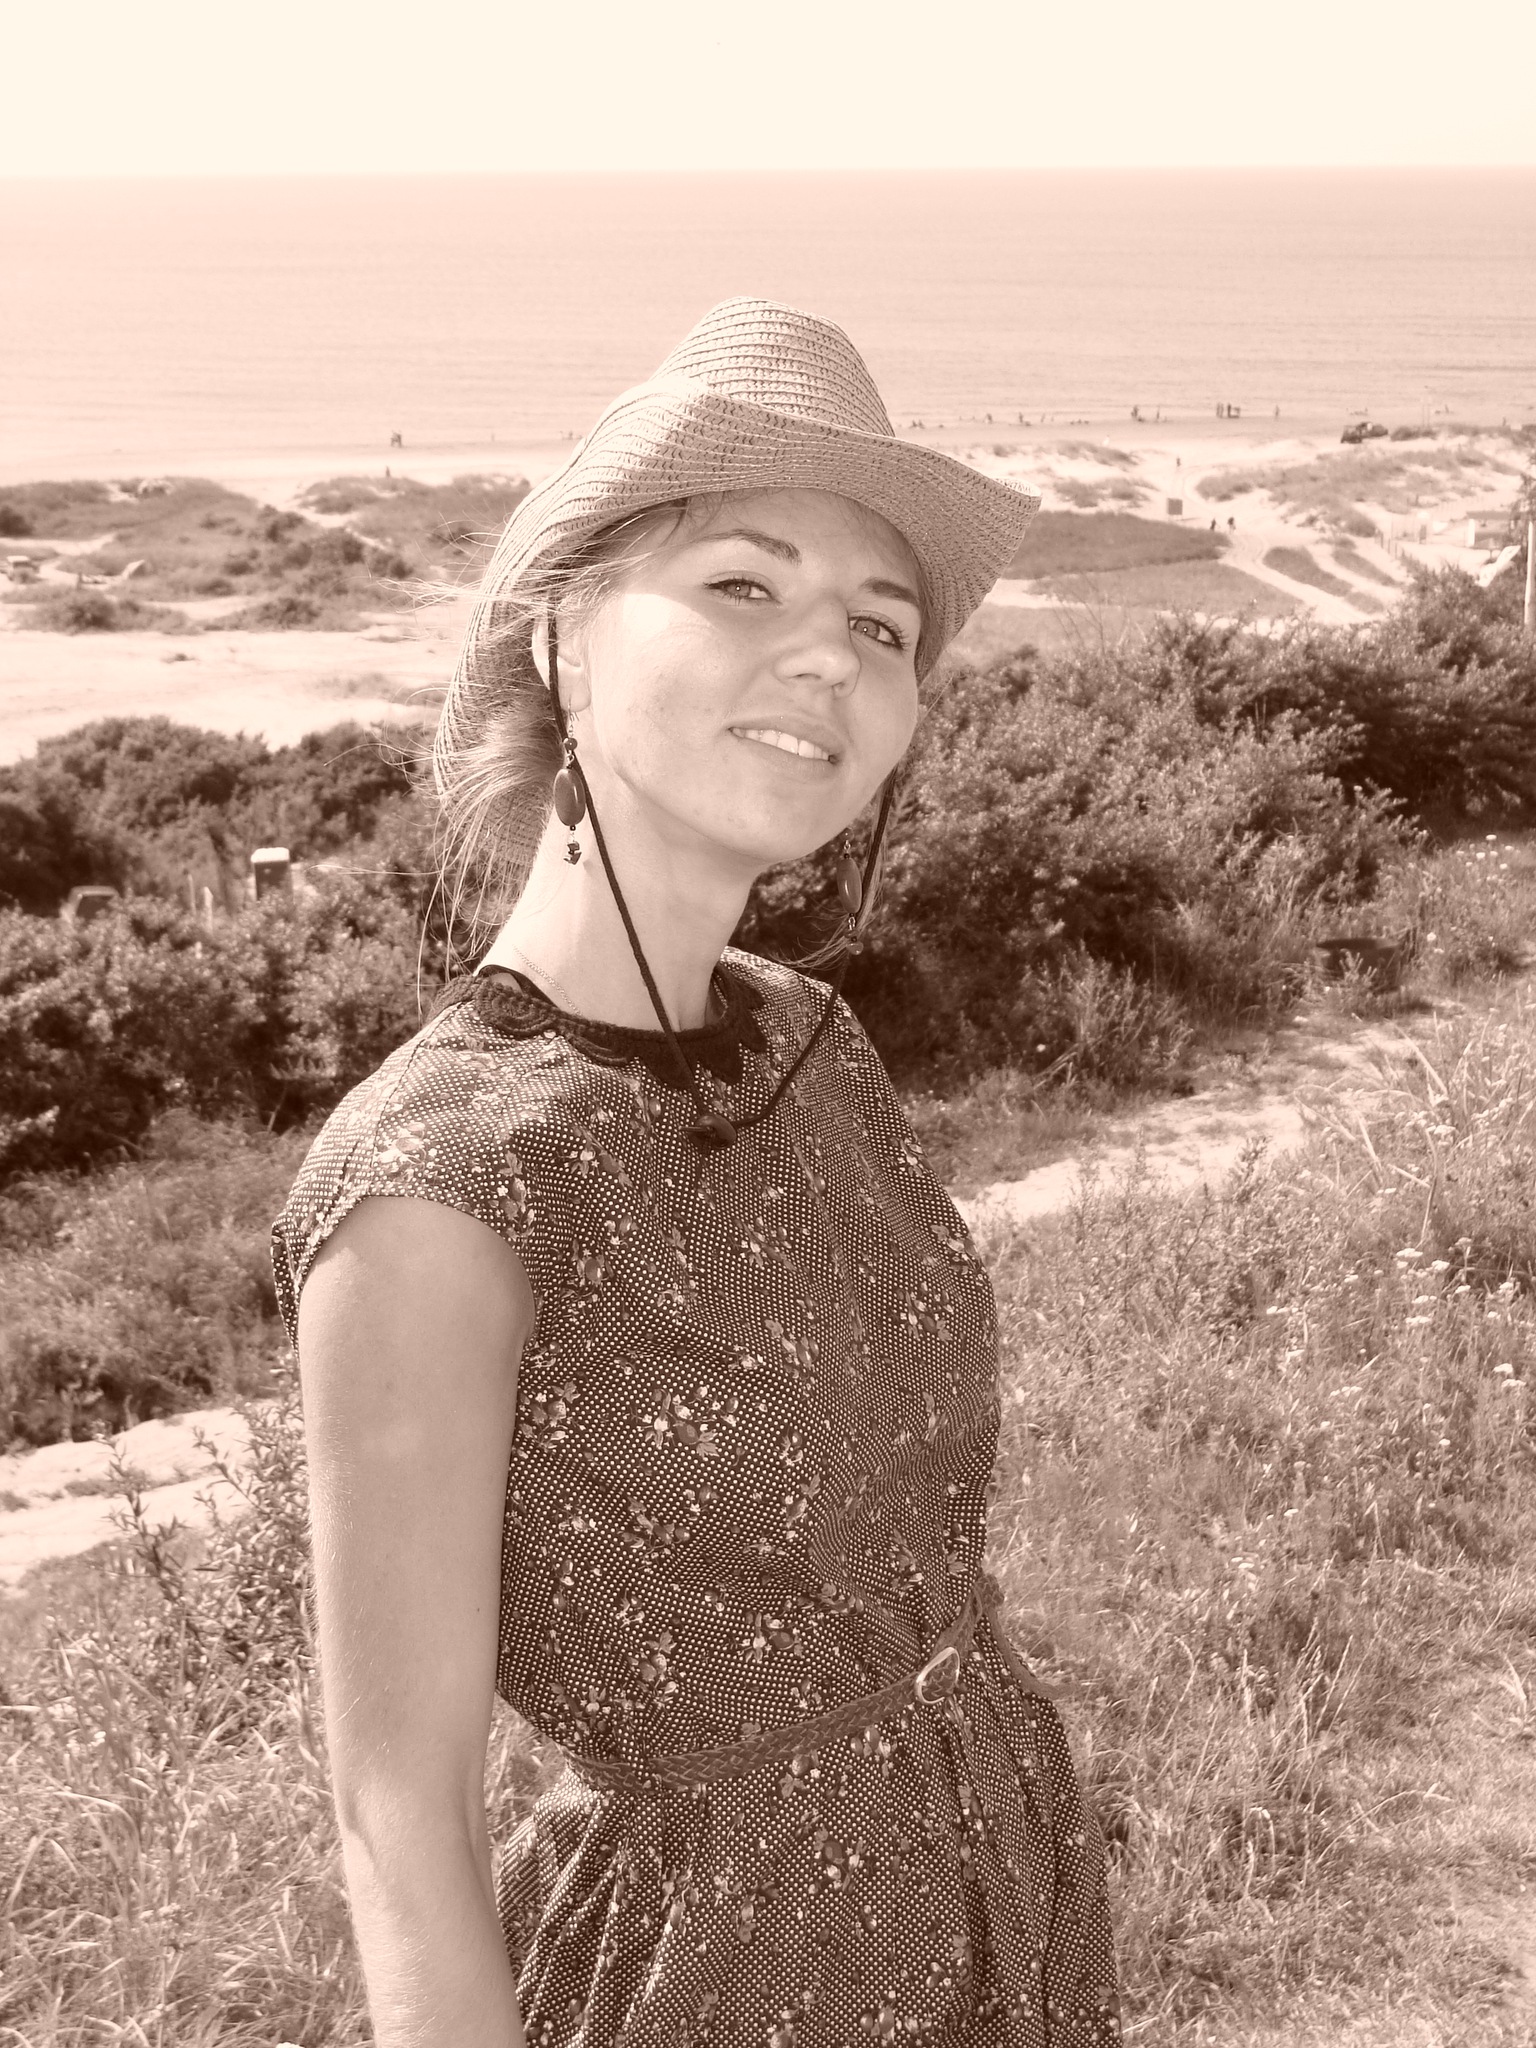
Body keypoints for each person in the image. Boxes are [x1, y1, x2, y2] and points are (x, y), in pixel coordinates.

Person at [273, 298, 1121, 2048]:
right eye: (745, 583)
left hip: (1003, 1893)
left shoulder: (808, 1038)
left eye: (880, 625)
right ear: (566, 638)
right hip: (730, 1973)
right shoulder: (442, 1181)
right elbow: (398, 1818)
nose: (830, 658)